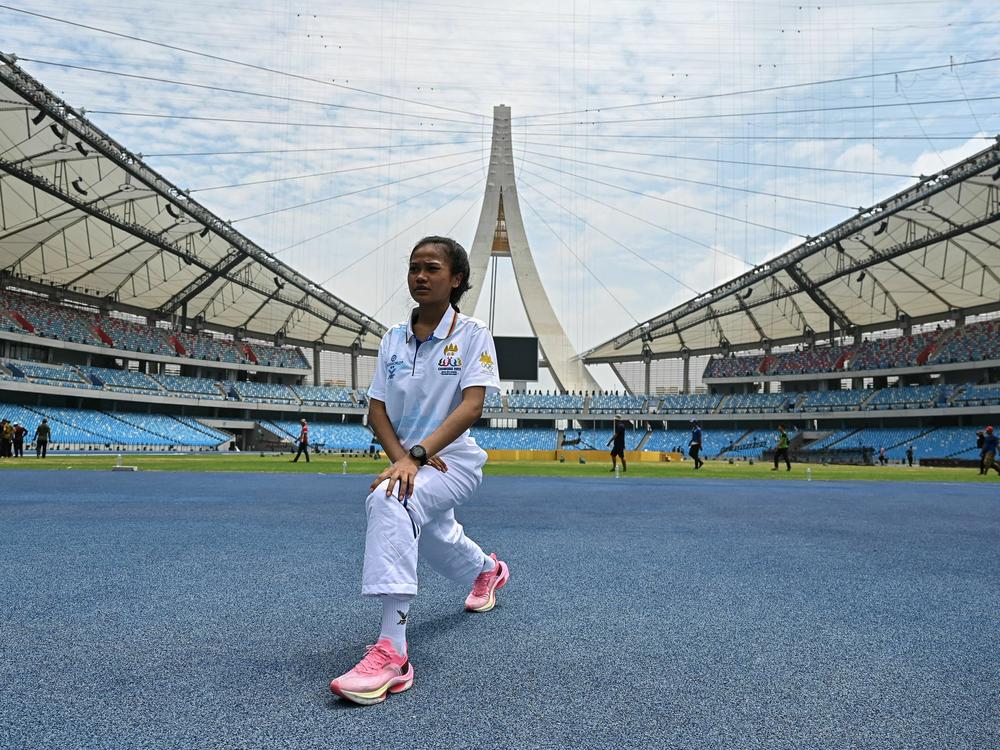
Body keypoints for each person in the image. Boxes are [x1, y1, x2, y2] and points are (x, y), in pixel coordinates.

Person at [329, 235, 508, 706]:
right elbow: (377, 410)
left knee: (391, 500)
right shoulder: (392, 338)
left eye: (431, 268)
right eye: (414, 268)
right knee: (430, 533)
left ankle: (393, 654)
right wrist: (402, 459)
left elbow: (472, 407)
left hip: (454, 461)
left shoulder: (472, 335)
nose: (420, 276)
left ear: (457, 279)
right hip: (414, 462)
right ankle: (487, 570)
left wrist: (420, 454)